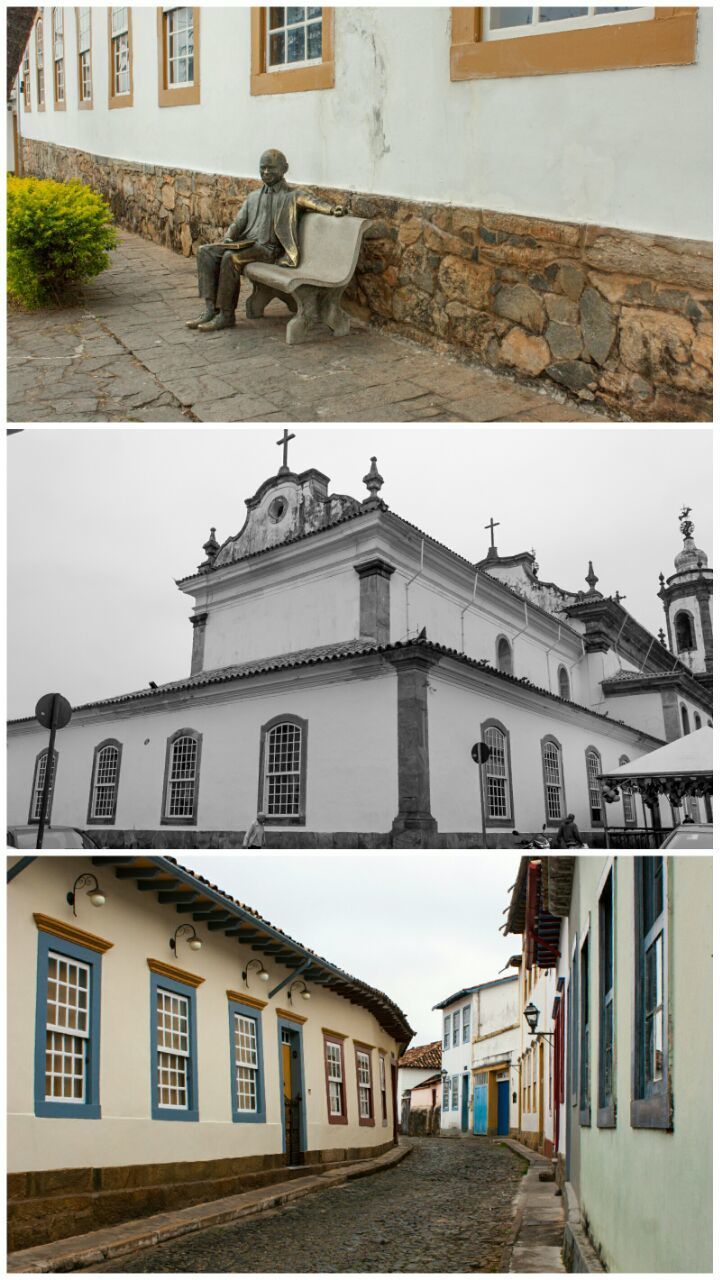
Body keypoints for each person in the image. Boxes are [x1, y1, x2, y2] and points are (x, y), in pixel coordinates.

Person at [187, 149, 345, 332]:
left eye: (271, 168)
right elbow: (238, 223)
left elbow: (314, 202)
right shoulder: (253, 197)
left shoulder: (292, 195)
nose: (266, 172)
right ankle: (209, 309)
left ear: (284, 169)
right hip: (248, 245)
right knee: (205, 251)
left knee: (230, 258)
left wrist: (333, 210)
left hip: (269, 250)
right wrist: (229, 238)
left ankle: (226, 315)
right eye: (262, 168)